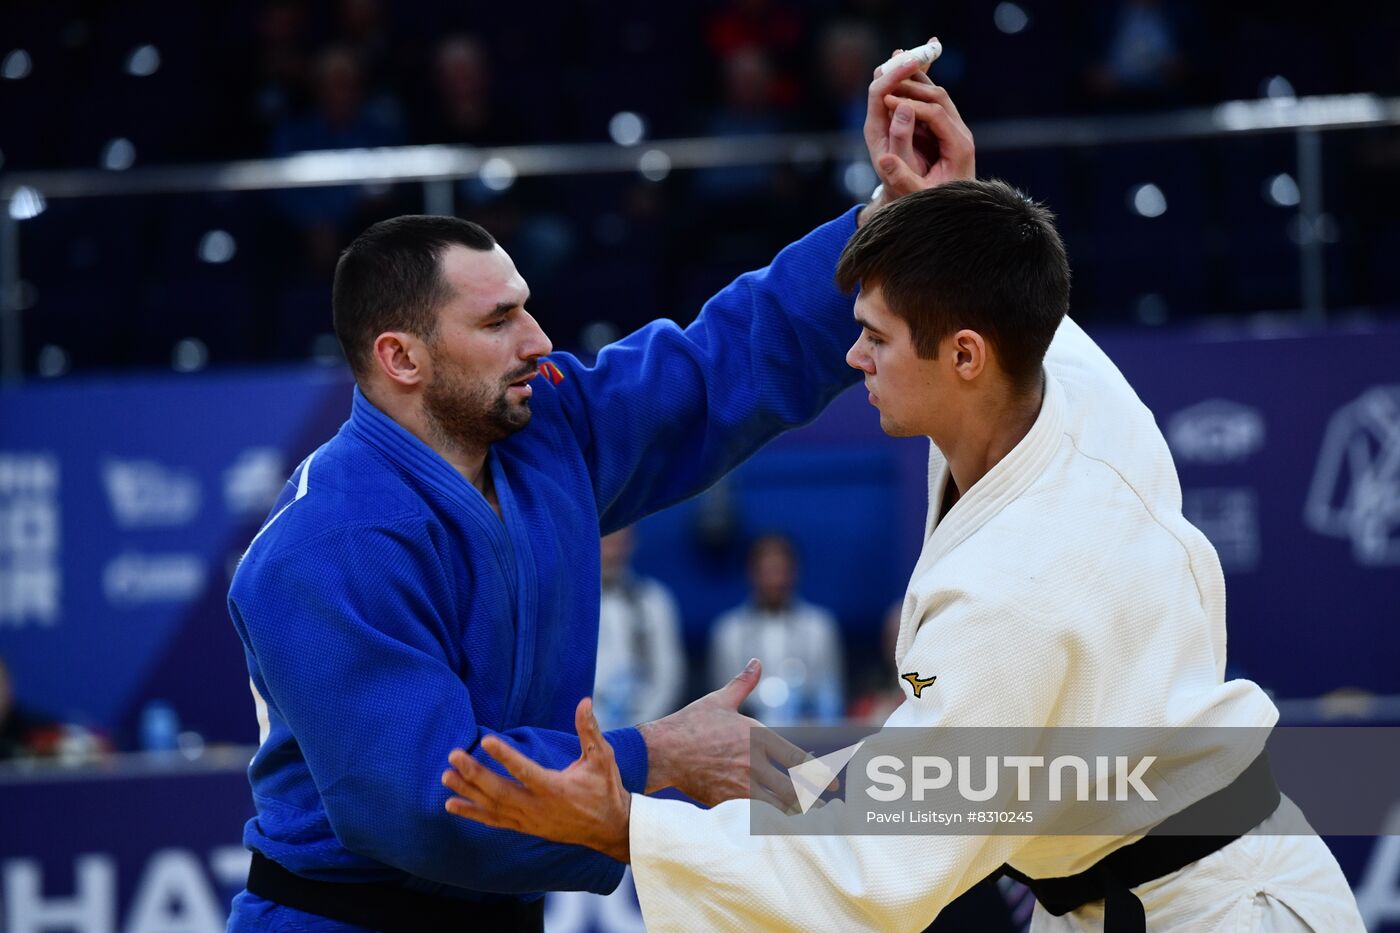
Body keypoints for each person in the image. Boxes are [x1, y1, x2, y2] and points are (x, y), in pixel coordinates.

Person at [439, 93, 1366, 931]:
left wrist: (631, 825)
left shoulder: (1018, 596)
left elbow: (879, 866)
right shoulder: (1058, 381)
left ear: (965, 357)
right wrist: (943, 200)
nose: (853, 359)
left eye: (876, 339)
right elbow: (1002, 276)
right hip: (1128, 884)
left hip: (1215, 910)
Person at [225, 45, 947, 932]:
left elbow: (722, 362)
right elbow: (424, 798)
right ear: (400, 358)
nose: (538, 338)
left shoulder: (542, 430)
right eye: (498, 320)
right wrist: (659, 759)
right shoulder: (321, 548)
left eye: (525, 304)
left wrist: (892, 221)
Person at [708, 534, 844, 724]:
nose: (774, 581)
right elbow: (724, 702)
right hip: (745, 738)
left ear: (794, 573)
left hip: (806, 739)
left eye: (780, 571)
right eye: (767, 571)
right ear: (751, 573)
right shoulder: (728, 631)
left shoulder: (819, 626)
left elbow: (829, 699)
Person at [592, 526, 685, 730]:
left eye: (618, 542)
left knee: (767, 753)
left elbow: (668, 678)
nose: (611, 552)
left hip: (643, 728)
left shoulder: (654, 600)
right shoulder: (571, 603)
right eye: (605, 542)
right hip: (585, 729)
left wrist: (638, 729)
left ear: (630, 544)